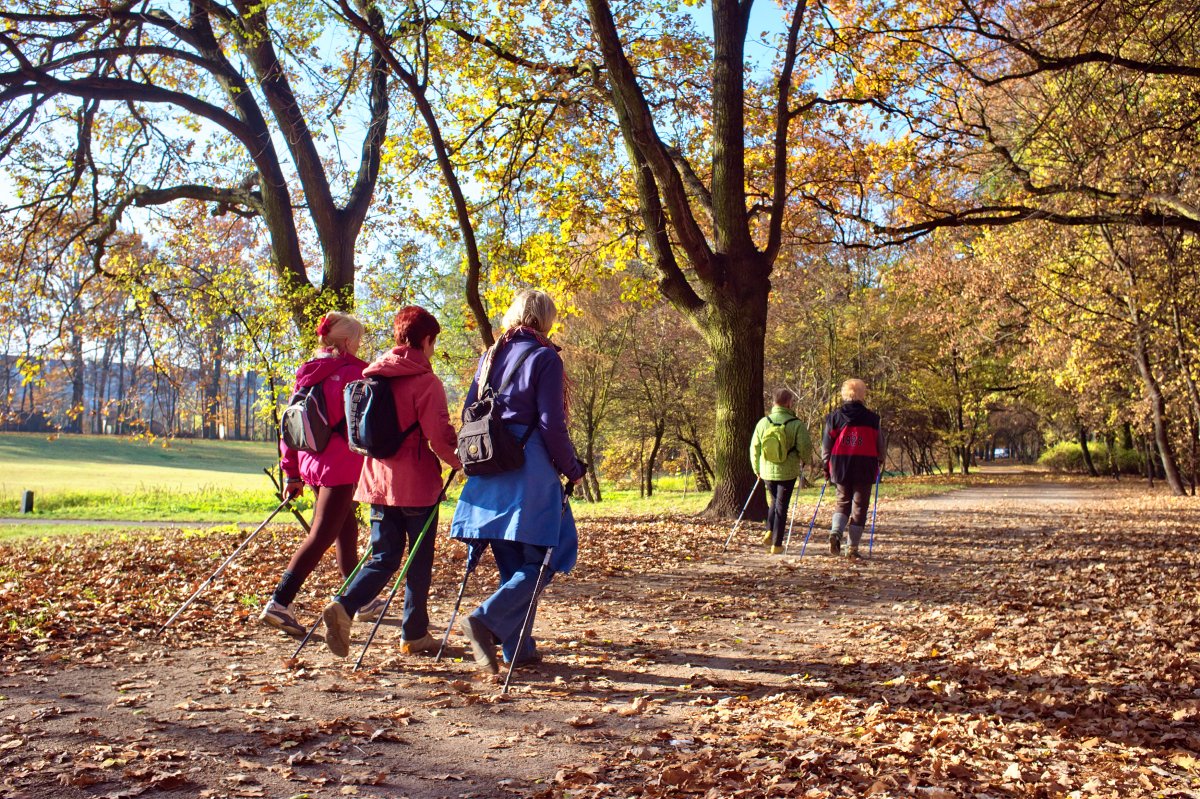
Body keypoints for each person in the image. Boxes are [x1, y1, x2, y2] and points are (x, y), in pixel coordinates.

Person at [450, 289, 587, 674]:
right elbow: (551, 423)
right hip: (531, 468)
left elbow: (468, 412)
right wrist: (572, 467)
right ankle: (487, 619)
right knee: (550, 555)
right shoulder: (545, 357)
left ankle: (518, 647)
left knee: (513, 560)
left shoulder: (490, 355)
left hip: (489, 468)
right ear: (546, 320)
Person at [320, 306, 462, 658]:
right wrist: (464, 462)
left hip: (376, 482)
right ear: (426, 340)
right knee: (417, 560)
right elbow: (439, 437)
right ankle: (414, 634)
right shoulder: (426, 382)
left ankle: (345, 604)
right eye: (433, 342)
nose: (432, 350)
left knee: (383, 556)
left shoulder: (372, 376)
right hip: (416, 485)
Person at [261, 311, 376, 637]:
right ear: (347, 340)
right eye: (358, 338)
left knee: (346, 530)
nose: (359, 343)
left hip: (311, 464)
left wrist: (292, 473)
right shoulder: (356, 372)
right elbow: (366, 426)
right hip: (339, 468)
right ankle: (279, 602)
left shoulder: (308, 373)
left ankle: (360, 600)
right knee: (322, 534)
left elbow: (290, 426)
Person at [821, 378, 885, 559]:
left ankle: (836, 532)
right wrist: (880, 460)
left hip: (841, 466)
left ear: (844, 394)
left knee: (842, 502)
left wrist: (826, 465)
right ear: (862, 394)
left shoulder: (834, 418)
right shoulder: (872, 419)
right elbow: (880, 444)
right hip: (865, 466)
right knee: (860, 507)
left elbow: (826, 445)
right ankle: (852, 548)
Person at [750, 388, 812, 554]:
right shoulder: (796, 424)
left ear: (774, 403)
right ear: (788, 402)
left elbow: (754, 447)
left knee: (774, 501)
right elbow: (805, 446)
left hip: (767, 471)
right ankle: (777, 544)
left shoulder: (763, 422)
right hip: (788, 471)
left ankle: (769, 531)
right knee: (781, 506)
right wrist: (805, 460)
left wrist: (757, 468)